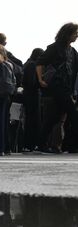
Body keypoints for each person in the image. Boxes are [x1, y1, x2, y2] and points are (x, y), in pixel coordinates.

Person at [37, 23, 78, 152]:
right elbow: (40, 63)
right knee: (73, 113)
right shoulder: (54, 48)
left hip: (67, 88)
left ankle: (41, 144)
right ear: (68, 34)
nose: (77, 35)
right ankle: (73, 146)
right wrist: (40, 79)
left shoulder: (72, 51)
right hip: (57, 86)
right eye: (75, 33)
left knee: (53, 117)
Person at [22, 48, 45, 152]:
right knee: (34, 120)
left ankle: (28, 143)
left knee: (29, 120)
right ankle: (32, 143)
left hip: (27, 95)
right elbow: (32, 82)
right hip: (33, 95)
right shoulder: (32, 65)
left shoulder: (27, 63)